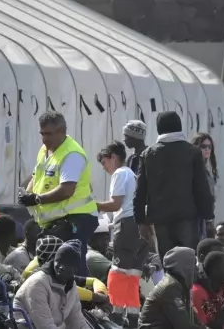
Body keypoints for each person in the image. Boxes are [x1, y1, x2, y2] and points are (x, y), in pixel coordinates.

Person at [19, 111, 99, 276]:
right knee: (53, 267)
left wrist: (37, 199)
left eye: (49, 134)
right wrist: (28, 193)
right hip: (59, 219)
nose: (45, 138)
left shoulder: (71, 154)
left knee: (69, 266)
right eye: (42, 134)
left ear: (62, 131)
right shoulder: (45, 150)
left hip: (76, 218)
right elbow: (37, 175)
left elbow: (66, 190)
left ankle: (83, 301)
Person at [134, 111, 214, 258]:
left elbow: (140, 191)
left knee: (168, 262)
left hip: (160, 220)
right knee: (187, 261)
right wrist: (208, 218)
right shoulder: (192, 152)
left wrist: (140, 221)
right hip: (187, 218)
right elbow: (202, 188)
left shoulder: (148, 154)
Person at [96, 140, 148, 328]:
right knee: (133, 275)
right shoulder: (132, 175)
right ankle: (133, 318)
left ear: (114, 157)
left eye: (104, 162)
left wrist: (93, 205)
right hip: (141, 227)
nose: (104, 168)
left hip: (126, 225)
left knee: (117, 271)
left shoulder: (119, 173)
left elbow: (115, 204)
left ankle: (116, 317)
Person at [14, 240, 90, 329]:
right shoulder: (38, 284)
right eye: (58, 261)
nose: (61, 267)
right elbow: (45, 326)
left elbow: (78, 322)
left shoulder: (71, 286)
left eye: (67, 264)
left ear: (75, 270)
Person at [138, 246, 204, 329]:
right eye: (193, 264)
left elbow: (191, 319)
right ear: (185, 266)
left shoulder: (179, 284)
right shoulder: (171, 287)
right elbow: (183, 326)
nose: (197, 269)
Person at [192, 132, 219, 238]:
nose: (207, 149)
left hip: (206, 216)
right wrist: (208, 220)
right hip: (197, 218)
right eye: (203, 146)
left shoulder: (207, 170)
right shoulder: (194, 168)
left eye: (209, 146)